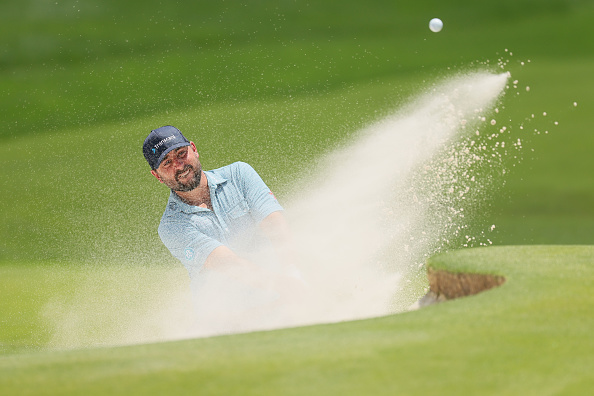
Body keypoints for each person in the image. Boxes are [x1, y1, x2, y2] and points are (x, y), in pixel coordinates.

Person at [143, 125, 305, 328]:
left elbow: (274, 223)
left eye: (181, 154)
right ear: (157, 176)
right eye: (167, 163)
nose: (179, 166)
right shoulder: (171, 227)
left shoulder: (239, 174)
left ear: (193, 148)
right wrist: (285, 288)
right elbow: (229, 264)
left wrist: (292, 272)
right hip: (229, 325)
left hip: (280, 299)